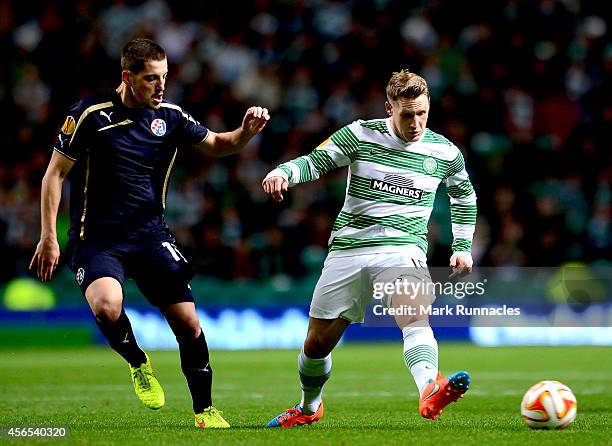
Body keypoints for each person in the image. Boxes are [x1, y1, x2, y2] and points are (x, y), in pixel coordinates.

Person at [29, 38, 269, 429]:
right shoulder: (90, 116)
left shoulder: (171, 117)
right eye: (151, 79)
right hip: (97, 239)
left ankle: (205, 411)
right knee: (107, 305)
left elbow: (220, 145)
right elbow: (54, 175)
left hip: (151, 236)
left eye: (165, 78)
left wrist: (246, 131)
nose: (161, 87)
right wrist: (48, 235)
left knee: (189, 325)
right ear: (128, 77)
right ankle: (138, 363)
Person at [262, 69, 476, 427]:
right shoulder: (361, 134)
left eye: (422, 113)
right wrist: (283, 172)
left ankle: (429, 388)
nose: (416, 122)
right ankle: (309, 407)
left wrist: (463, 246)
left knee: (413, 312)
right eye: (407, 114)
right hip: (350, 248)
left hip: (402, 247)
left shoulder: (444, 151)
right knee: (315, 346)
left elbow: (463, 196)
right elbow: (315, 161)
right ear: (389, 108)